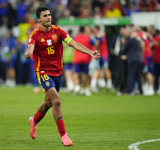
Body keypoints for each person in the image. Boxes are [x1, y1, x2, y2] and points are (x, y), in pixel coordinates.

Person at [25, 6, 100, 146]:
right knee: (57, 101)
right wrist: (28, 53)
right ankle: (64, 136)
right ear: (39, 19)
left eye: (49, 15)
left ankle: (34, 121)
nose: (48, 17)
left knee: (48, 103)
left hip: (58, 72)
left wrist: (91, 52)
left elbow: (74, 44)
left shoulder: (58, 31)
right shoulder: (34, 34)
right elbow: (30, 47)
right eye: (45, 16)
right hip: (43, 72)